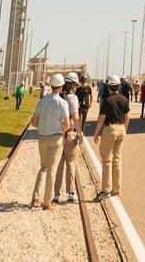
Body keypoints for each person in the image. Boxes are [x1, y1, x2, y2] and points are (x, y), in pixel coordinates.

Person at [29, 73, 70, 210]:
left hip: (42, 138)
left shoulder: (42, 102)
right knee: (52, 170)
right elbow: (67, 124)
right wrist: (60, 131)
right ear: (61, 86)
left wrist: (44, 127)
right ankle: (47, 202)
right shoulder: (62, 103)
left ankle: (36, 197)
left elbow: (34, 123)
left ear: (51, 86)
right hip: (56, 138)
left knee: (43, 167)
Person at [92, 74, 130, 200]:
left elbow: (102, 118)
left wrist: (96, 133)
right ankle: (116, 189)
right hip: (121, 129)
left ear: (109, 87)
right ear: (118, 86)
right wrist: (124, 130)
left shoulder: (107, 101)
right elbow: (127, 117)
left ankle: (106, 190)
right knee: (117, 160)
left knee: (107, 160)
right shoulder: (124, 99)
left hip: (110, 129)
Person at [53, 73, 81, 204]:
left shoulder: (58, 97)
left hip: (58, 133)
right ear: (74, 85)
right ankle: (70, 193)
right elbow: (75, 116)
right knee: (71, 162)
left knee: (59, 164)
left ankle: (56, 193)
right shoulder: (72, 98)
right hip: (70, 133)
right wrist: (80, 133)